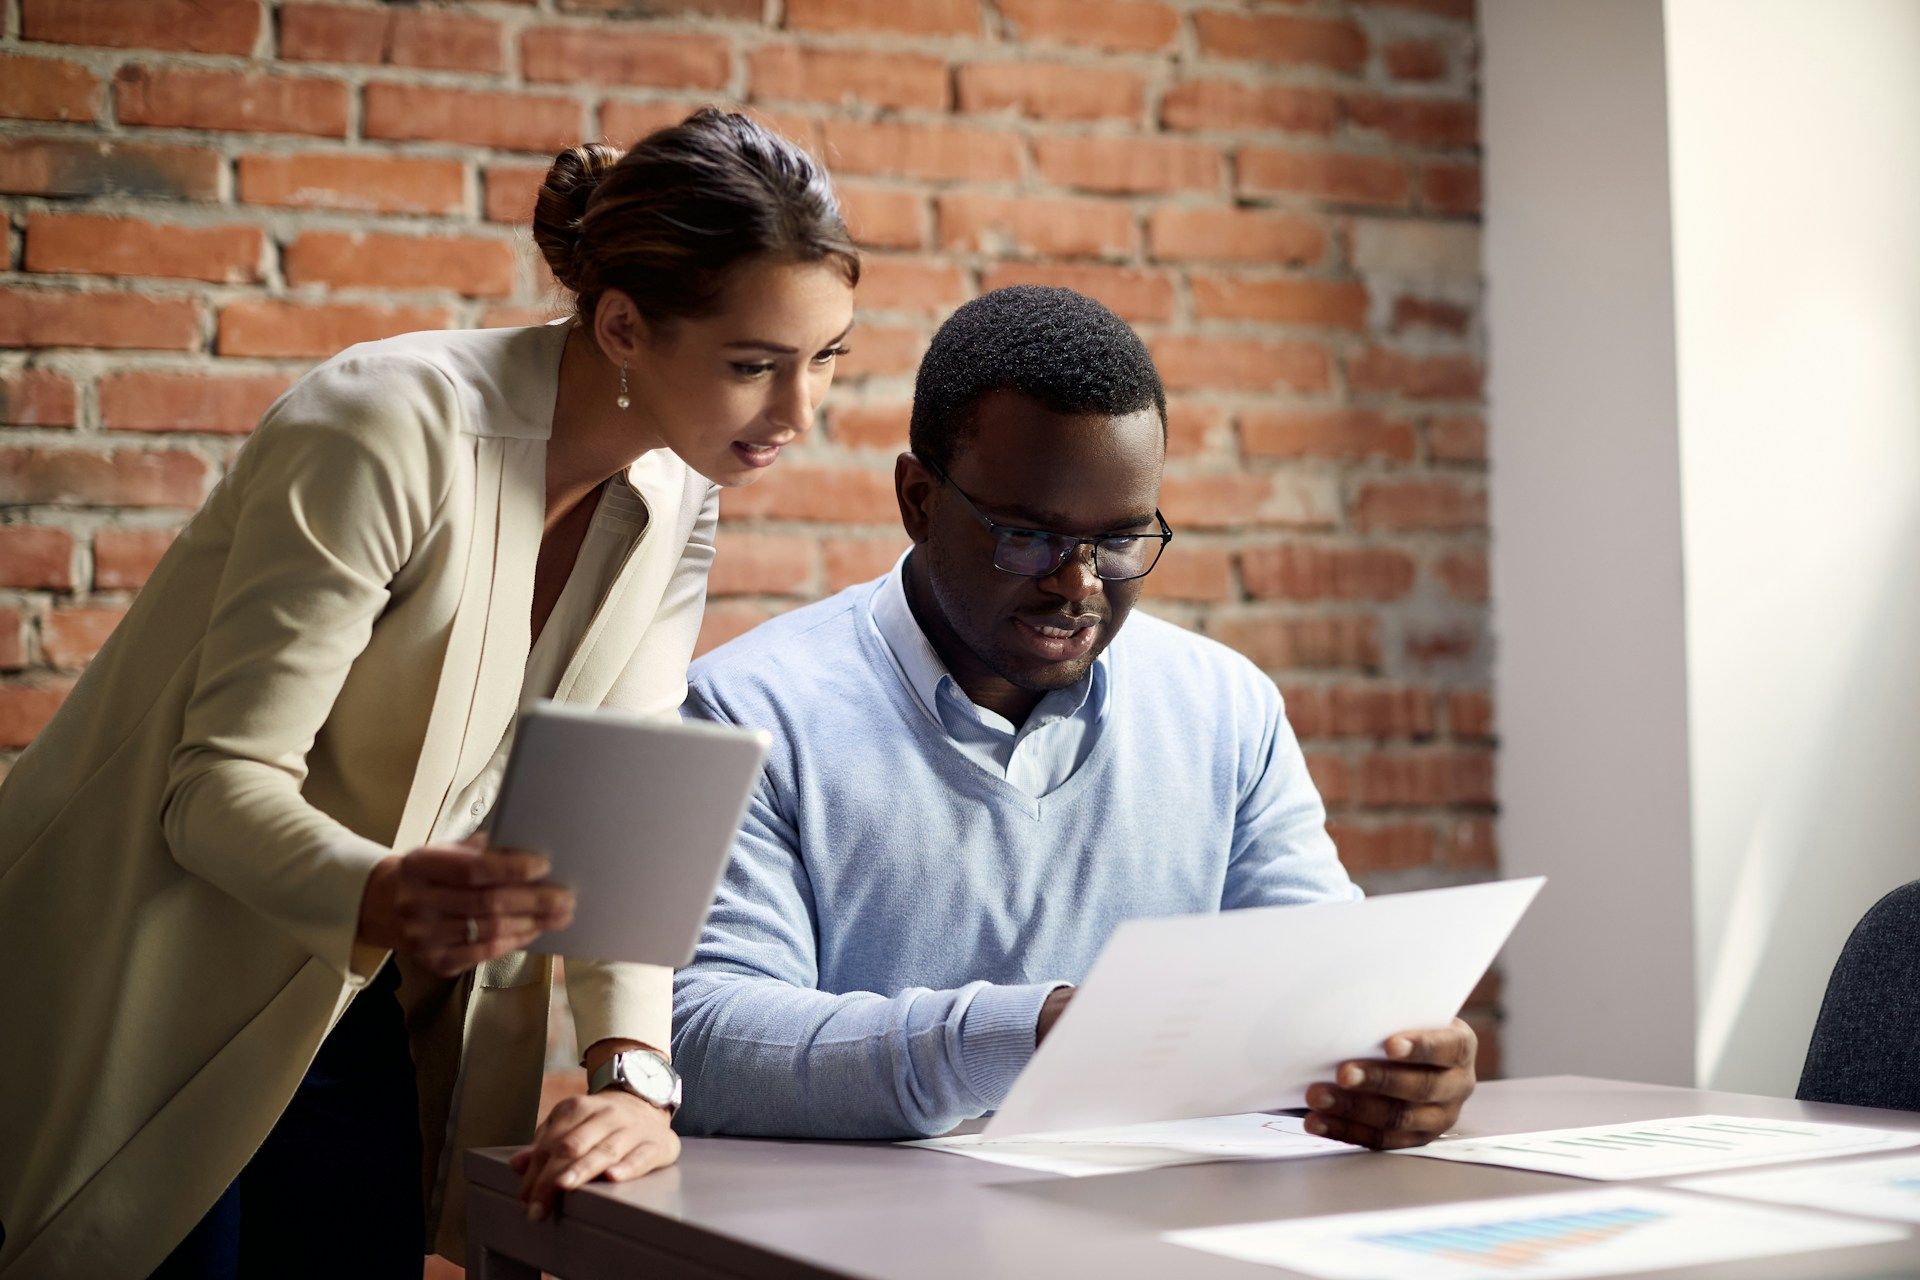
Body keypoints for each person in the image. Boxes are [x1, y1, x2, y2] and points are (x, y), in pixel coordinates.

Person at [0, 110, 858, 1279]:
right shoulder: (385, 425)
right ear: (621, 325)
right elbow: (212, 790)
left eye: (826, 361)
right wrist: (389, 888)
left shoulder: (675, 493)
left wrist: (631, 1078)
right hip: (143, 986)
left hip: (355, 1006)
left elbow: (622, 814)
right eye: (755, 365)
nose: (799, 415)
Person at [671, 286, 1477, 1147]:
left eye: (1123, 539)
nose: (1079, 583)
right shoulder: (747, 711)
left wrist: (1388, 1062)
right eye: (1029, 536)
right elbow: (711, 1047)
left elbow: (1316, 988)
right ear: (918, 500)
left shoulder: (1223, 707)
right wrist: (1035, 1032)